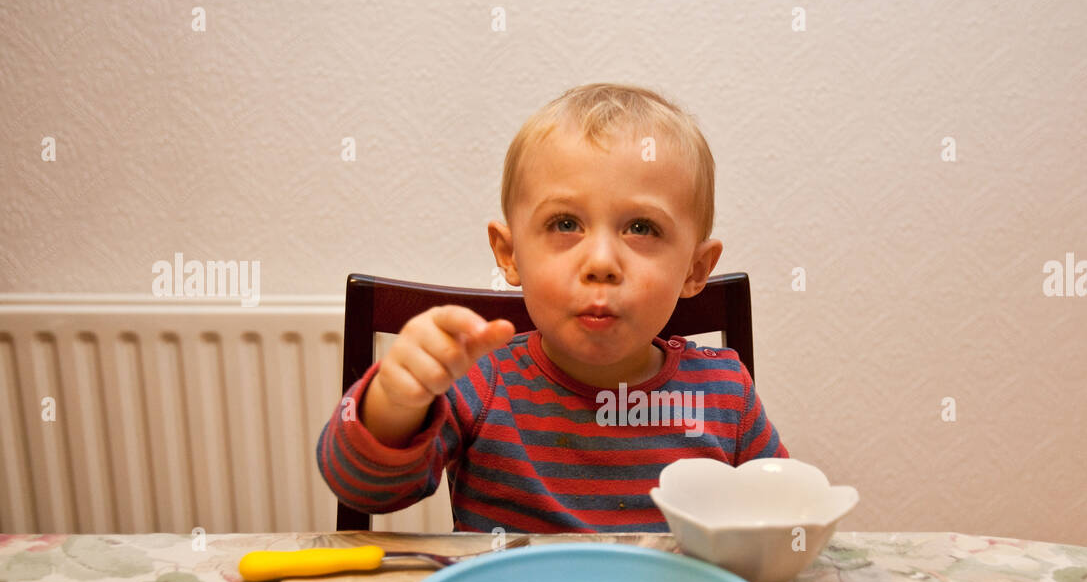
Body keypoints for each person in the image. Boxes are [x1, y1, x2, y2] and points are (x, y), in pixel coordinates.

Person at [317, 83, 787, 532]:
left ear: (695, 269)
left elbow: (783, 519)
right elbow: (362, 490)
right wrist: (395, 404)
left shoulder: (727, 394)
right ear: (509, 253)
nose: (601, 263)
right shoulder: (481, 382)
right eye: (565, 223)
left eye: (641, 228)